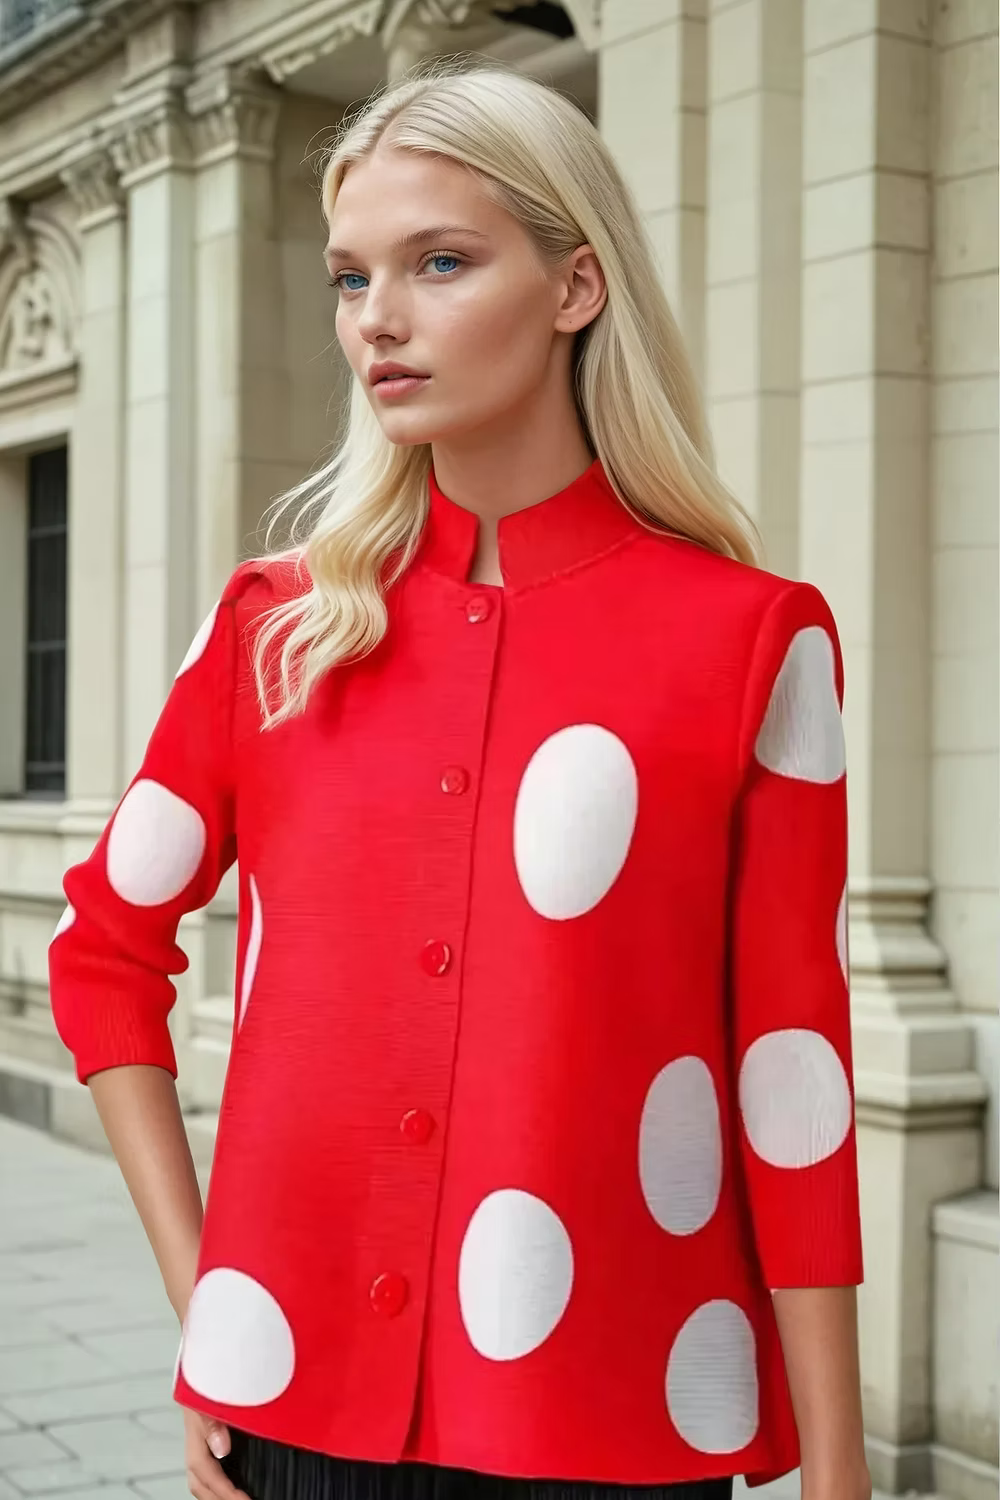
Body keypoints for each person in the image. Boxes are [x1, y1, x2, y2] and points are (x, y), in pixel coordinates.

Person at [48, 56, 871, 1500]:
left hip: (615, 1418)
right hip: (294, 1425)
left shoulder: (751, 640)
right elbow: (102, 950)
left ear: (575, 285)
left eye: (439, 262)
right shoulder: (273, 631)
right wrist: (212, 1312)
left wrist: (840, 1464)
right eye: (350, 277)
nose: (378, 318)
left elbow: (790, 1068)